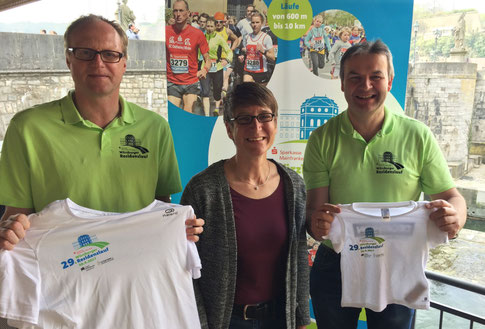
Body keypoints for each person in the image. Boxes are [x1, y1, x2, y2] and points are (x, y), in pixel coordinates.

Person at [0, 14, 204, 251]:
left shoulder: (155, 128)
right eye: (85, 53)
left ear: (124, 62)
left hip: (136, 273)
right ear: (68, 59)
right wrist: (7, 233)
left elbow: (161, 210)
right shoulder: (27, 128)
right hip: (59, 281)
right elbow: (15, 219)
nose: (98, 63)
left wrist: (182, 227)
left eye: (110, 54)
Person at [303, 40, 467, 329]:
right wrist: (317, 224)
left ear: (389, 81)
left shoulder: (418, 136)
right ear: (341, 83)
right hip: (336, 262)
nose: (365, 85)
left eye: (375, 76)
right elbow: (315, 212)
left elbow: (453, 197)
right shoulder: (321, 139)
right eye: (354, 77)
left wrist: (456, 217)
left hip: (399, 262)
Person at [181, 82, 310, 329]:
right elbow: (187, 269)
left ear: (275, 121)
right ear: (229, 129)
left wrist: (301, 319)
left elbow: (299, 258)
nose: (256, 127)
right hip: (227, 321)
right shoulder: (202, 190)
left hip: (280, 319)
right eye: (244, 119)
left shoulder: (294, 185)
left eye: (265, 116)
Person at [165, 0, 210, 113]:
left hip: (191, 82)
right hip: (172, 81)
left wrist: (204, 70)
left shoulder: (197, 34)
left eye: (181, 10)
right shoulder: (166, 32)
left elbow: (208, 59)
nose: (178, 14)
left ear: (188, 13)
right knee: (173, 113)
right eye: (175, 11)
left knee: (187, 112)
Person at [200, 17, 233, 116]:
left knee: (217, 92)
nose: (209, 28)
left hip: (217, 67)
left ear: (215, 27)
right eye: (208, 26)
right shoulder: (202, 37)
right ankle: (206, 115)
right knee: (205, 92)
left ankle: (217, 109)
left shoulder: (219, 38)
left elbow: (229, 51)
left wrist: (226, 60)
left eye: (211, 26)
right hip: (204, 68)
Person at [239, 12, 275, 86]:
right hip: (248, 70)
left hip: (261, 72)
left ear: (261, 23)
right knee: (247, 88)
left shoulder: (266, 38)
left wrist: (263, 51)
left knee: (260, 95)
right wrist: (242, 56)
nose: (255, 25)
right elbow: (246, 51)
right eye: (253, 22)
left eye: (257, 22)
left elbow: (272, 57)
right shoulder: (247, 37)